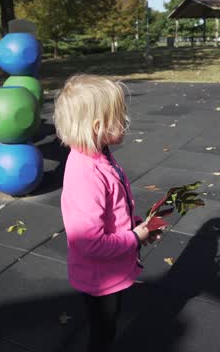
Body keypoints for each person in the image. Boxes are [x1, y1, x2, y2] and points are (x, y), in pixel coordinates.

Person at [54, 74, 156, 352]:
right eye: (120, 116)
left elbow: (111, 209)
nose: (126, 121)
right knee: (102, 333)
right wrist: (134, 238)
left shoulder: (98, 154)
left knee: (107, 325)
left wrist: (134, 226)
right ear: (98, 127)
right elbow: (91, 242)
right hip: (101, 276)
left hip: (107, 269)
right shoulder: (87, 173)